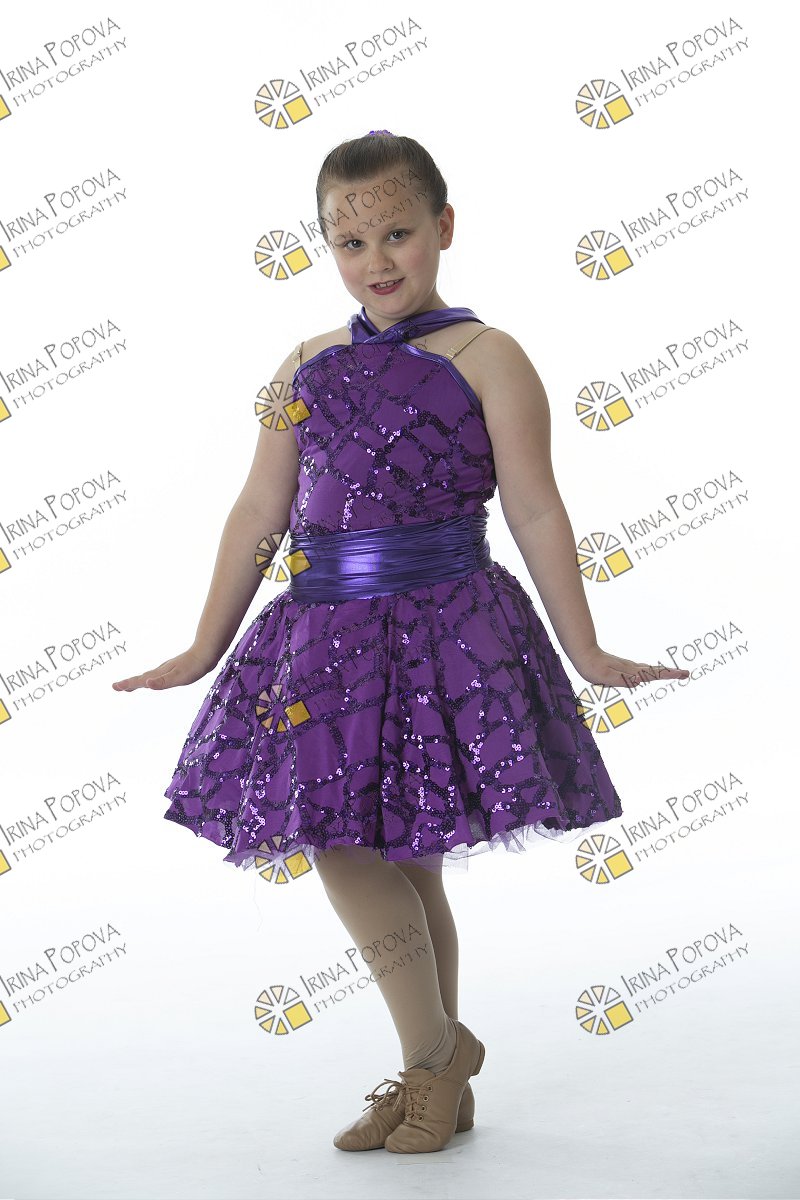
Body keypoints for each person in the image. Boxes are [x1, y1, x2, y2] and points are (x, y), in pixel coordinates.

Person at [111, 130, 689, 1154]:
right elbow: (260, 509)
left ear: (443, 227)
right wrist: (203, 645)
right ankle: (438, 1071)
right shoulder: (302, 365)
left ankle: (432, 1063)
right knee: (366, 846)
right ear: (325, 246)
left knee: (387, 852)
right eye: (350, 242)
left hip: (441, 631)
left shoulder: (488, 356)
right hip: (323, 637)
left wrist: (587, 649)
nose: (376, 260)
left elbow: (536, 509)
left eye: (397, 234)